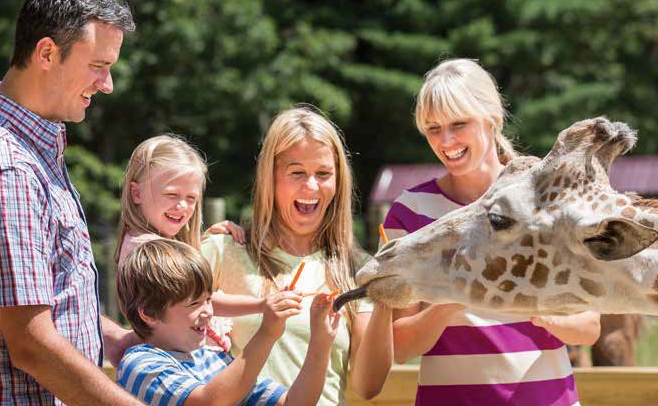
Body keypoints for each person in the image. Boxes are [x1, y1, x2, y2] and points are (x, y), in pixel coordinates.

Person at [384, 58, 601, 405]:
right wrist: (456, 296)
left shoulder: (545, 198)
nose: (446, 140)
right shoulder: (409, 211)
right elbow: (399, 346)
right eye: (433, 128)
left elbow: (589, 328)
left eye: (459, 123)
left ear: (492, 119)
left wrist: (536, 307)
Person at [0, 0, 144, 404]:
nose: (107, 84)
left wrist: (113, 338)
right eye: (98, 66)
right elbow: (30, 343)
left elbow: (40, 298)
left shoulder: (32, 148)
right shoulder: (8, 166)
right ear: (46, 53)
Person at [202, 107, 393, 405]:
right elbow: (157, 322)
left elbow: (368, 386)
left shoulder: (357, 269)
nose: (311, 186)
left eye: (323, 174)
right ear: (270, 178)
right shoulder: (221, 250)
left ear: (338, 181)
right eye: (297, 172)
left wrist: (386, 298)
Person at [116, 238, 338, 406]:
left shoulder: (214, 360)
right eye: (194, 304)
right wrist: (267, 333)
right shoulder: (141, 365)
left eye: (208, 300)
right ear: (149, 313)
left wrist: (321, 340)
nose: (208, 312)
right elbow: (210, 402)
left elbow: (295, 402)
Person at [114, 134, 250, 350]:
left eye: (191, 198)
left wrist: (203, 241)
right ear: (136, 193)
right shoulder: (147, 250)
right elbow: (196, 301)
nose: (182, 206)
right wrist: (262, 304)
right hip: (180, 363)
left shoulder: (144, 242)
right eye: (172, 194)